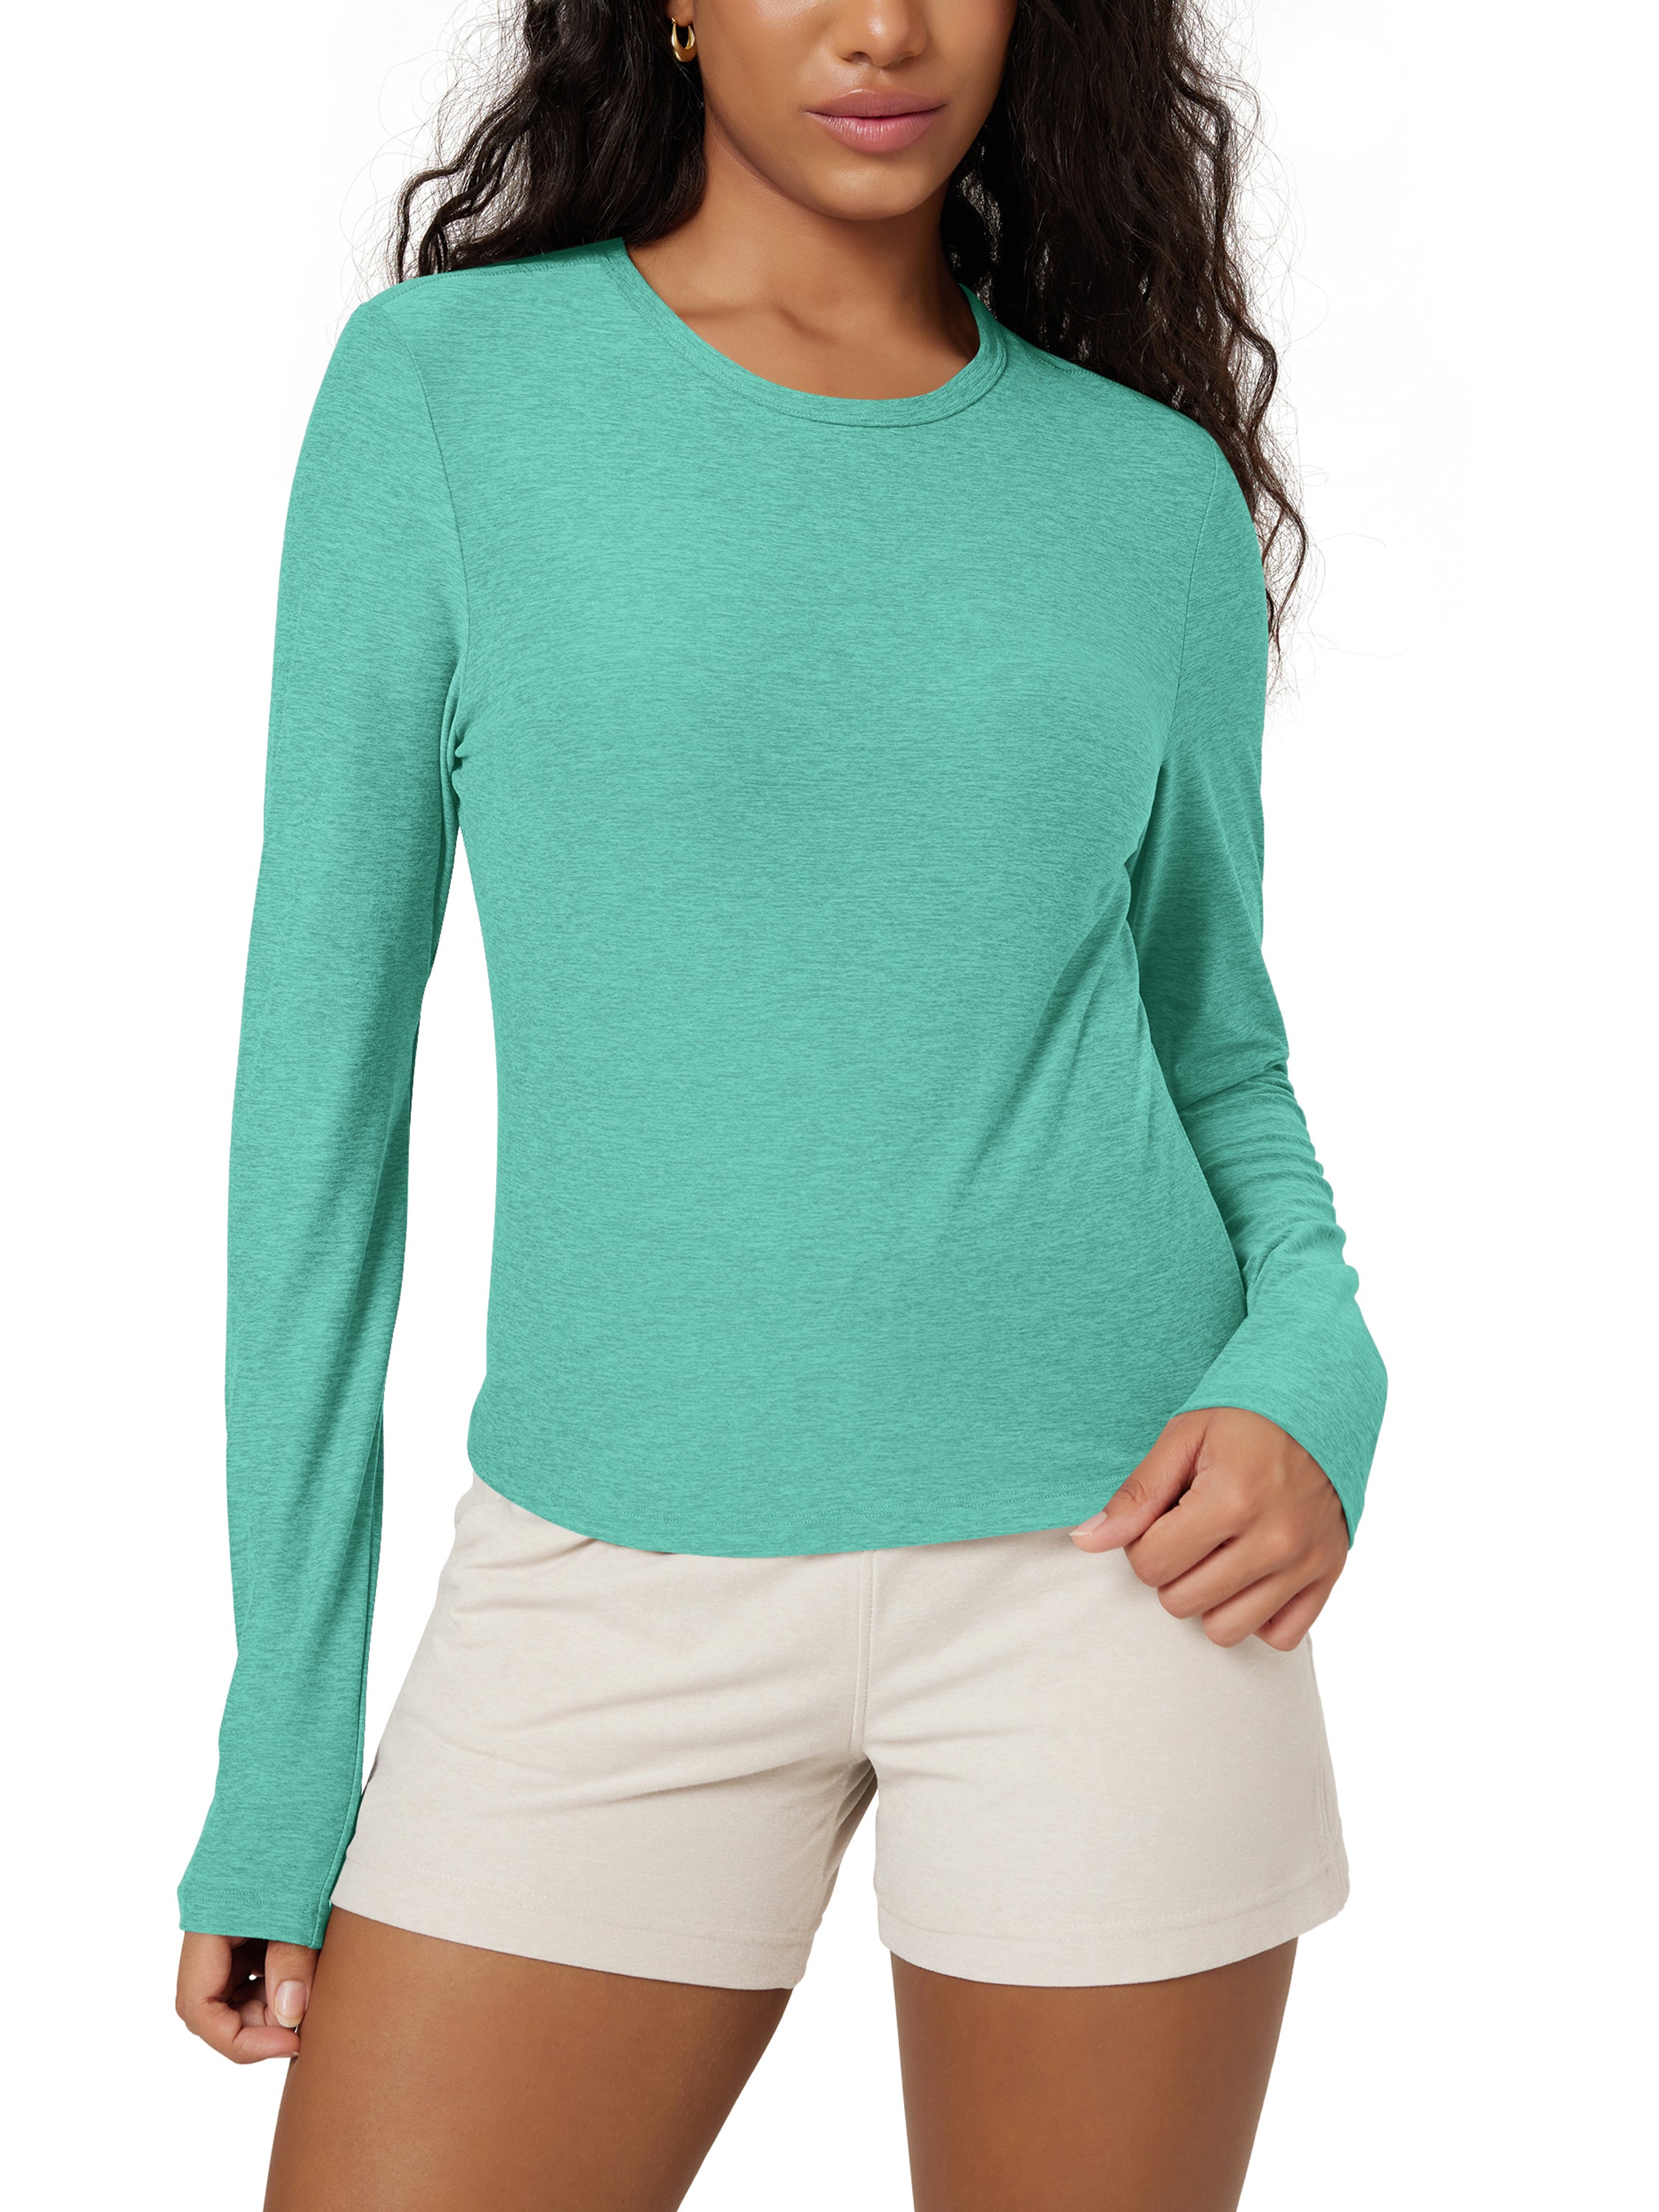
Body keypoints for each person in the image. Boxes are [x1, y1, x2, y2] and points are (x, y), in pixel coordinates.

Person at [174, 0, 1385, 2202]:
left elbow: (1213, 1042)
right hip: (603, 1575)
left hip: (1117, 1574)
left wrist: (1314, 1357)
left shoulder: (1144, 492)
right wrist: (284, 1739)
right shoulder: (449, 399)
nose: (882, 28)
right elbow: (314, 1096)